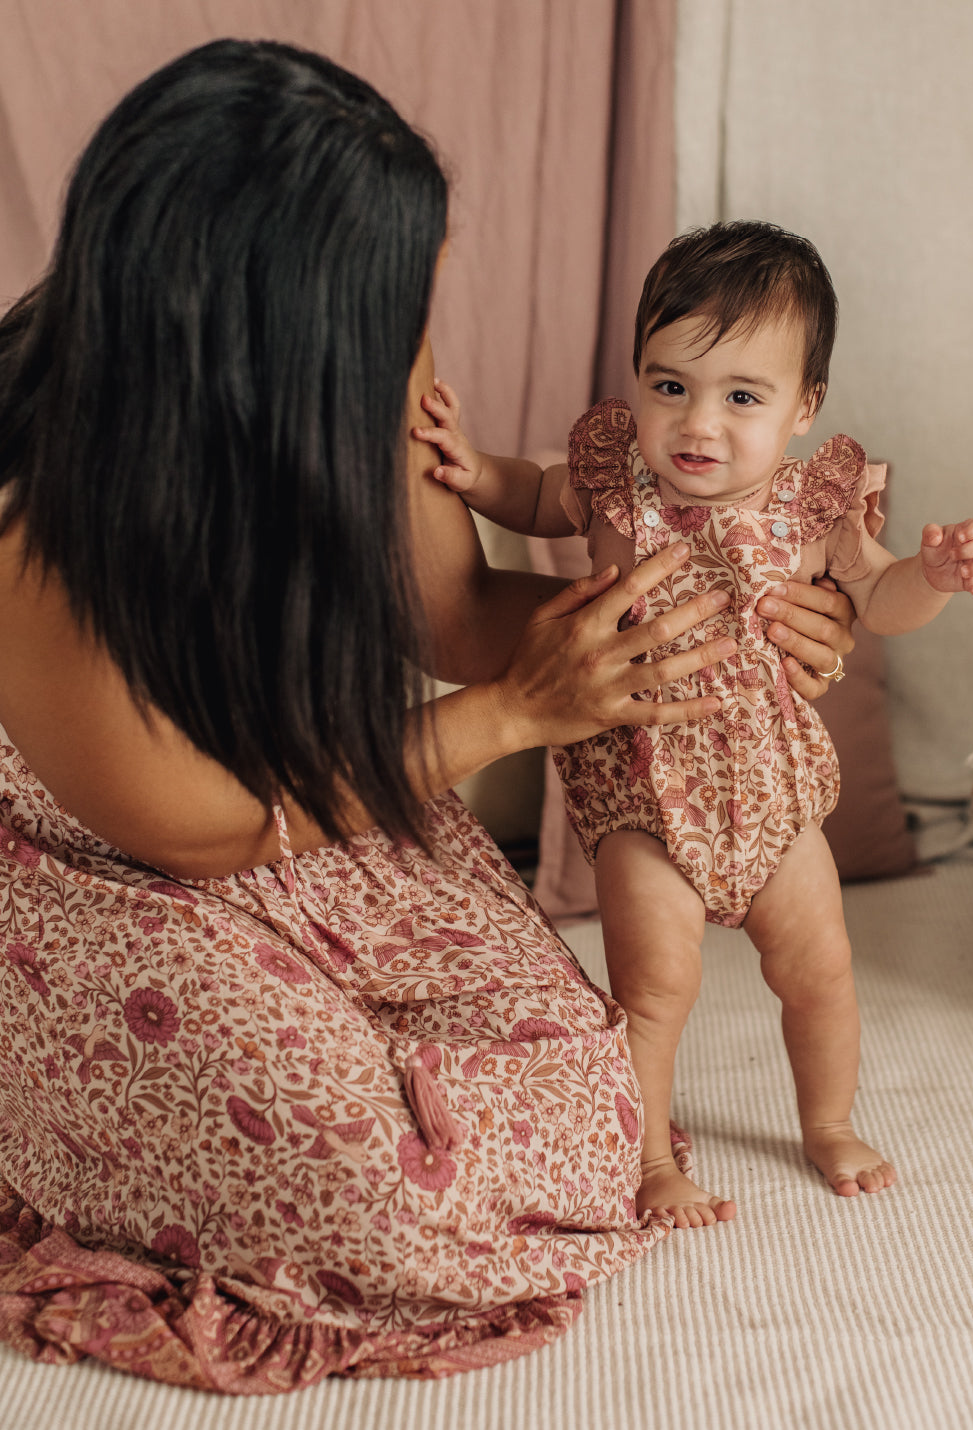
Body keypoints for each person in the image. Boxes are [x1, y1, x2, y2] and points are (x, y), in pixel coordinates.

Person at [0, 49, 857, 1388]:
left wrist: (734, 626)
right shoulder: (30, 511)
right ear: (278, 317)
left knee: (590, 1099)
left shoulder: (360, 356)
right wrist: (515, 714)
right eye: (401, 293)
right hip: (119, 848)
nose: (419, 329)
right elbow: (190, 826)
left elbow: (452, 611)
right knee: (392, 1186)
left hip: (310, 764)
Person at [416, 220, 973, 1228]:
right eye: (669, 384)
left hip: (769, 789)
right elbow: (536, 494)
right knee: (654, 986)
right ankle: (649, 1160)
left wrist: (933, 578)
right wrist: (475, 472)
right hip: (642, 786)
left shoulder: (814, 504)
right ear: (636, 378)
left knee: (818, 971)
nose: (698, 423)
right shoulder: (610, 476)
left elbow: (879, 593)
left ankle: (827, 1122)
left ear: (804, 407)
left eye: (742, 397)